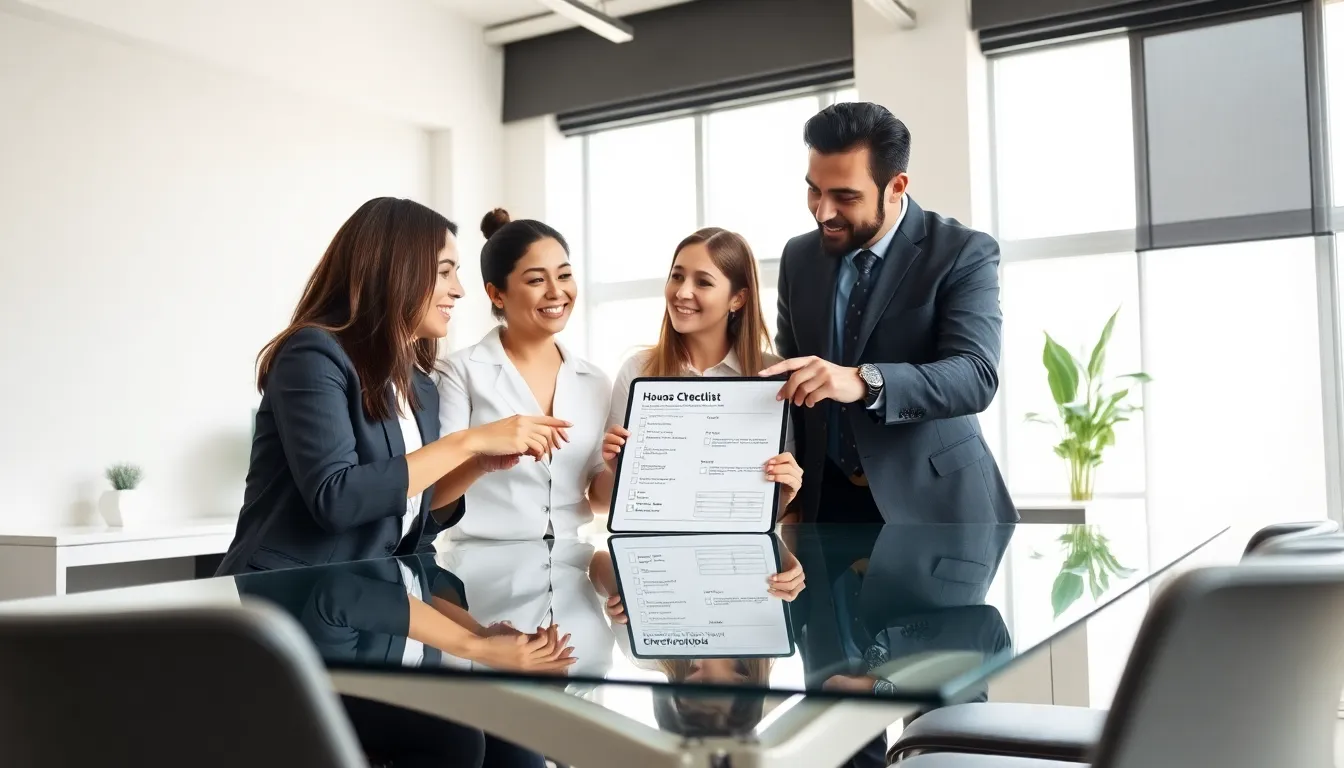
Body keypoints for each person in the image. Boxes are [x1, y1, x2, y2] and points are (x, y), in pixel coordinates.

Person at [217, 196, 571, 768]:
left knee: (516, 723)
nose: (459, 290)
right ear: (395, 270)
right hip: (293, 613)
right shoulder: (313, 354)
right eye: (446, 271)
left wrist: (477, 466)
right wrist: (470, 441)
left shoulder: (418, 384)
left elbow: (413, 520)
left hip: (370, 604)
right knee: (453, 739)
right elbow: (338, 499)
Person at [764, 102, 1016, 528]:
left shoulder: (962, 252)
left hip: (937, 508)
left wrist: (864, 380)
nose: (823, 212)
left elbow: (975, 375)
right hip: (826, 508)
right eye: (814, 190)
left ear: (896, 185)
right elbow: (793, 381)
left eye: (845, 196)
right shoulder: (799, 257)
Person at [601, 227, 803, 514]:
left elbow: (771, 508)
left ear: (738, 299)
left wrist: (785, 493)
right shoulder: (637, 370)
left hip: (740, 551)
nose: (682, 292)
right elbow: (618, 503)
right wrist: (617, 470)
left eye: (704, 283)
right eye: (677, 276)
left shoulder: (772, 374)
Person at [438, 209, 611, 540]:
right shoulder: (458, 372)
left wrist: (618, 469)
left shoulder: (595, 381)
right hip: (479, 569)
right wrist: (483, 454)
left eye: (564, 276)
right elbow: (434, 495)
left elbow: (598, 499)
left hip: (572, 567)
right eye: (536, 280)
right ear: (496, 294)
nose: (556, 292)